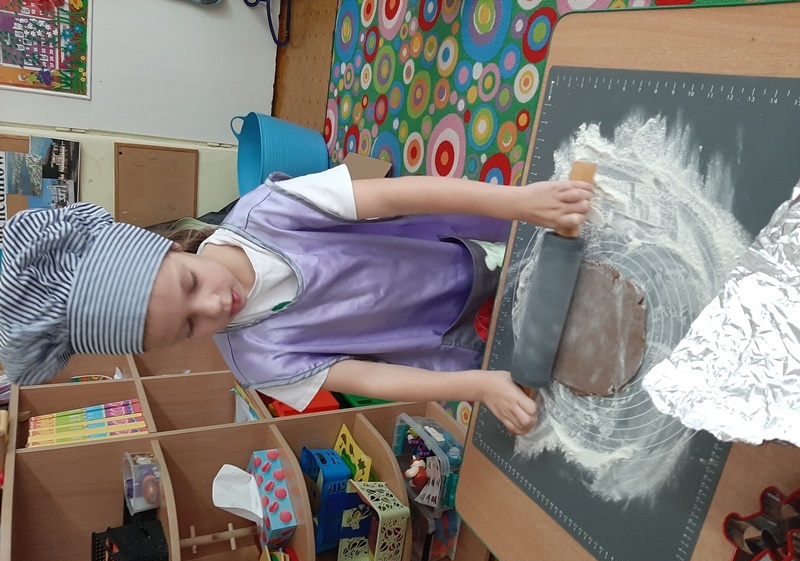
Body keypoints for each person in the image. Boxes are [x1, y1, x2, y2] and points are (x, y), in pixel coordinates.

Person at [0, 165, 592, 435]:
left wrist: (517, 202)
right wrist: (477, 387)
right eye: (187, 328)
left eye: (191, 283)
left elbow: (393, 196)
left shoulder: (268, 212)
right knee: (576, 358)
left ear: (170, 246)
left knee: (586, 265)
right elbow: (372, 378)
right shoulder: (256, 364)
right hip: (454, 341)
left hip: (465, 251)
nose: (214, 308)